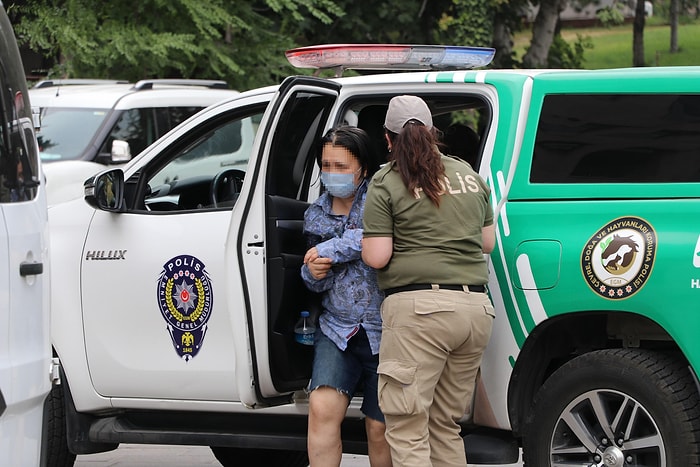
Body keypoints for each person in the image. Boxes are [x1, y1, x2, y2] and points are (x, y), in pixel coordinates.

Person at [361, 95, 496, 467]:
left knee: (406, 425)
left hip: (420, 314)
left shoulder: (387, 180)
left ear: (387, 139)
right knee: (444, 424)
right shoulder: (468, 175)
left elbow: (377, 256)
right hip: (475, 311)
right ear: (433, 133)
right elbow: (488, 243)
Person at [301, 126, 392, 467]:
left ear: (363, 168)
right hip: (337, 329)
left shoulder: (382, 199)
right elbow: (314, 280)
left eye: (341, 167)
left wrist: (331, 248)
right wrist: (312, 274)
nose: (332, 174)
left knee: (380, 426)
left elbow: (373, 239)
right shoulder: (315, 214)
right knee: (321, 409)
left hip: (384, 331)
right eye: (326, 166)